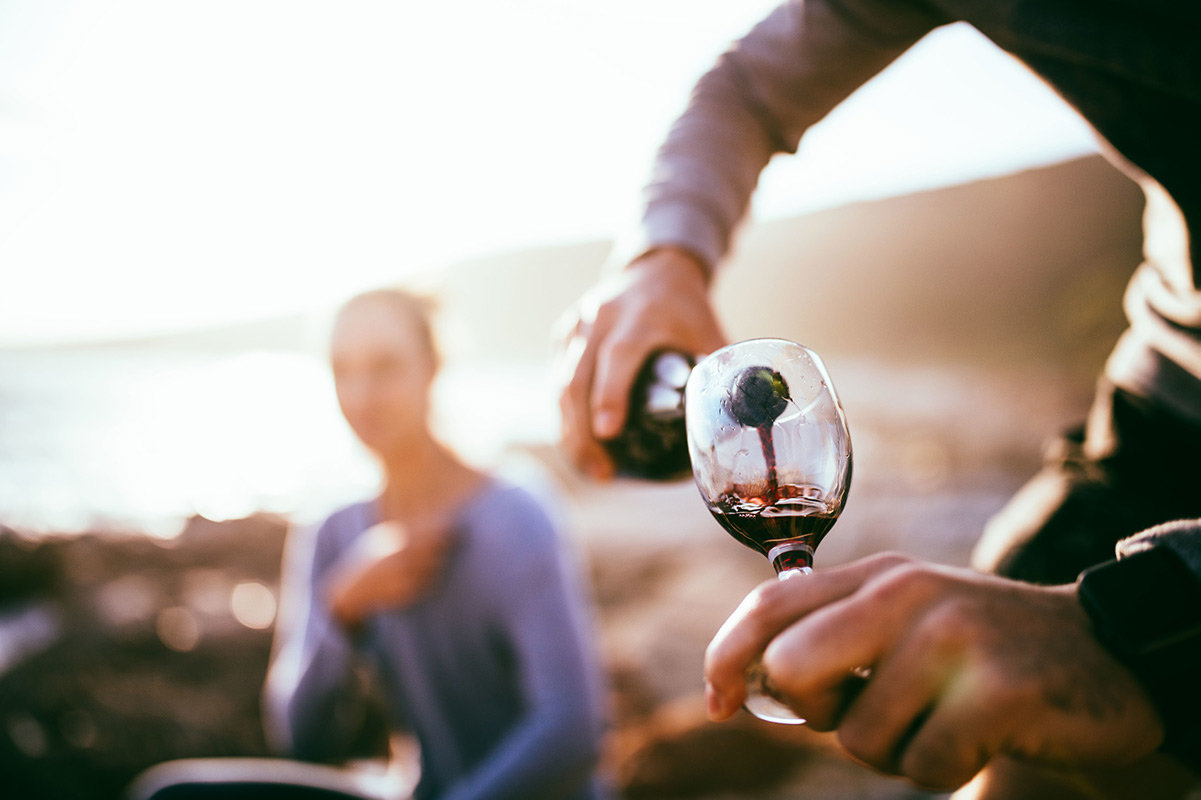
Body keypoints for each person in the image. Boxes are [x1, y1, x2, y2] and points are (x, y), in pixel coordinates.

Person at [555, 0, 1201, 796]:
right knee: (1005, 660)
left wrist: (1142, 623)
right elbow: (752, 85)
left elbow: (1133, 631)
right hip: (1175, 389)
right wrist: (663, 256)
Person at [132, 288, 609, 800]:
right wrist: (342, 608)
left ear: (432, 366)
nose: (361, 395)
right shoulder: (334, 530)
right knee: (169, 795)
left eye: (385, 367)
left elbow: (573, 729)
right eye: (344, 370)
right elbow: (299, 736)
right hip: (414, 790)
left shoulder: (518, 515)